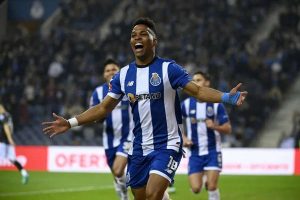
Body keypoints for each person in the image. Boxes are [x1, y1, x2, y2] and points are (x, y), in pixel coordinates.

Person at [42, 17, 247, 200]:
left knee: (153, 194)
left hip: (167, 144)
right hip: (139, 147)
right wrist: (70, 122)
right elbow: (103, 108)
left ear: (153, 41)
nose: (137, 38)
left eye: (143, 34)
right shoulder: (123, 75)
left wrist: (227, 97)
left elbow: (199, 92)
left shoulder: (168, 69)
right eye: (133, 35)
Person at [181, 71, 232, 200]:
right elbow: (175, 124)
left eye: (198, 80)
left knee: (212, 186)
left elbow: (228, 128)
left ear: (207, 83)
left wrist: (215, 126)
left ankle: (210, 182)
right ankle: (205, 178)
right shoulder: (186, 105)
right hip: (195, 152)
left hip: (213, 150)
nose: (194, 83)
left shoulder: (216, 105)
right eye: (193, 80)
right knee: (196, 188)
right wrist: (184, 138)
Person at [89, 58, 133, 200]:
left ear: (119, 71)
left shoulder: (129, 87)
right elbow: (94, 116)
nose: (110, 72)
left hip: (129, 136)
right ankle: (124, 193)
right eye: (107, 70)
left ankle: (127, 191)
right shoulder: (97, 92)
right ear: (104, 75)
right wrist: (100, 116)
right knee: (117, 175)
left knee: (118, 170)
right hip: (109, 140)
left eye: (114, 69)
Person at [0, 104, 29, 184]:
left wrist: (10, 139)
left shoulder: (3, 116)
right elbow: (10, 127)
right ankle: (24, 173)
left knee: (11, 159)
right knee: (12, 159)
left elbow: (6, 127)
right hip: (6, 140)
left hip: (3, 140)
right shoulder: (8, 115)